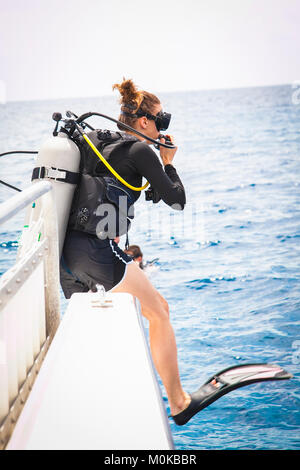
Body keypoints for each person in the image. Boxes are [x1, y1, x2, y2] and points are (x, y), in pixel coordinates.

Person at [61, 78, 194, 423]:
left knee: (101, 323)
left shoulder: (95, 143)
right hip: (95, 253)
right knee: (159, 310)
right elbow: (177, 201)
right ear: (145, 122)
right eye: (160, 120)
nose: (162, 127)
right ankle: (179, 402)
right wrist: (167, 161)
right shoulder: (140, 151)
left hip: (65, 256)